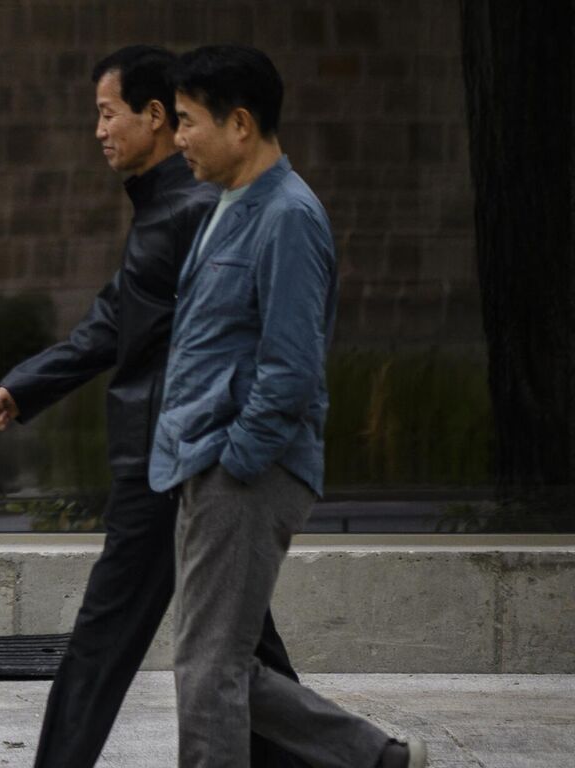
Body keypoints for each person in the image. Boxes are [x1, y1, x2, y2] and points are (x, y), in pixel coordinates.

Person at [0, 45, 306, 768]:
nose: (98, 130)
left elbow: (143, 330)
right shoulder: (182, 206)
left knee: (113, 637)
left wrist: (230, 455)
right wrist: (25, 386)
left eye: (106, 112)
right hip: (185, 456)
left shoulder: (189, 210)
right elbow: (118, 318)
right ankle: (359, 757)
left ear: (154, 118)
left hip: (169, 459)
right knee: (239, 644)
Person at [153, 45, 424, 767]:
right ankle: (375, 758)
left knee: (208, 672)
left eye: (186, 121)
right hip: (208, 465)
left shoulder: (290, 217)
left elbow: (291, 367)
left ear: (239, 124)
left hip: (245, 471)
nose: (176, 138)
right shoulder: (231, 203)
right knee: (218, 664)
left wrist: (235, 460)